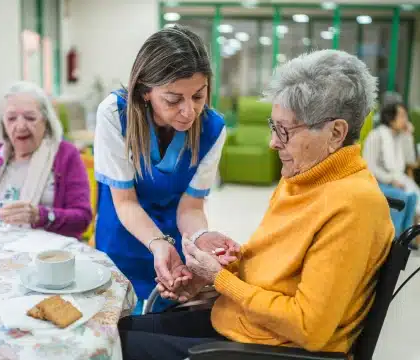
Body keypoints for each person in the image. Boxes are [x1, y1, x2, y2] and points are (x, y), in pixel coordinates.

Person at [118, 49, 395, 360]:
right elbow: (277, 272)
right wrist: (215, 274)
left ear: (336, 132)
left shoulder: (354, 207)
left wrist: (220, 280)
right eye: (273, 126)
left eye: (285, 131)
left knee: (119, 347)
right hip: (242, 322)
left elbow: (309, 327)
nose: (273, 142)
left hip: (272, 349)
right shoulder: (303, 177)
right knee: (121, 330)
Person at [93, 25, 239, 313]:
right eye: (173, 99)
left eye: (198, 96)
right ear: (146, 91)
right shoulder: (114, 115)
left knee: (158, 324)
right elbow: (125, 202)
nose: (189, 111)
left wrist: (199, 239)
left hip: (175, 248)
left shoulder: (213, 128)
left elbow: (191, 207)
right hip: (121, 240)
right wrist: (158, 243)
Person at [0, 81, 93, 238]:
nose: (20, 126)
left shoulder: (65, 154)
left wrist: (40, 216)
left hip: (49, 256)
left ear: (46, 121)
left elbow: (82, 218)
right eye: (11, 118)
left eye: (30, 118)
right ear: (2, 123)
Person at [363, 102, 419, 247]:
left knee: (412, 197)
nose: (405, 119)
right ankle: (391, 239)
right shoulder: (376, 136)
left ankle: (405, 240)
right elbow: (370, 166)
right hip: (376, 182)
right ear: (390, 117)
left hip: (396, 181)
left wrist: (408, 136)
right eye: (401, 115)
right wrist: (391, 180)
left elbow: (410, 160)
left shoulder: (400, 137)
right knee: (401, 196)